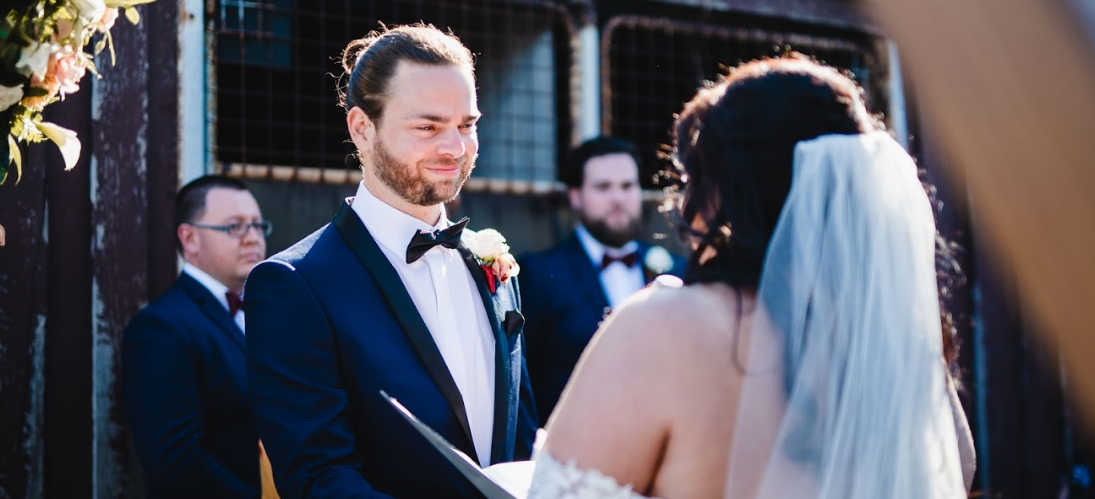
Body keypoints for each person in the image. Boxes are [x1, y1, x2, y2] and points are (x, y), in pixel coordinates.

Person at [526, 55, 976, 498]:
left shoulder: (663, 329)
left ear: (725, 188)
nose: (685, 204)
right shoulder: (893, 341)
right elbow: (957, 467)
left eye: (691, 179)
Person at [244, 24, 537, 499]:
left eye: (467, 124)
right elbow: (318, 476)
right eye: (427, 127)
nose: (456, 148)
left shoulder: (495, 268)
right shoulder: (294, 285)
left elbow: (518, 439)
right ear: (362, 128)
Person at [122, 175, 271, 499]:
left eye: (258, 226)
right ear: (189, 239)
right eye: (235, 227)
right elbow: (177, 466)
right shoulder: (162, 329)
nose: (252, 238)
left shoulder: (270, 315)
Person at [518, 136, 685, 422]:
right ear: (575, 196)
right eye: (603, 187)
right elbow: (521, 382)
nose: (618, 198)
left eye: (627, 186)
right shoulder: (538, 275)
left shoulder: (677, 271)